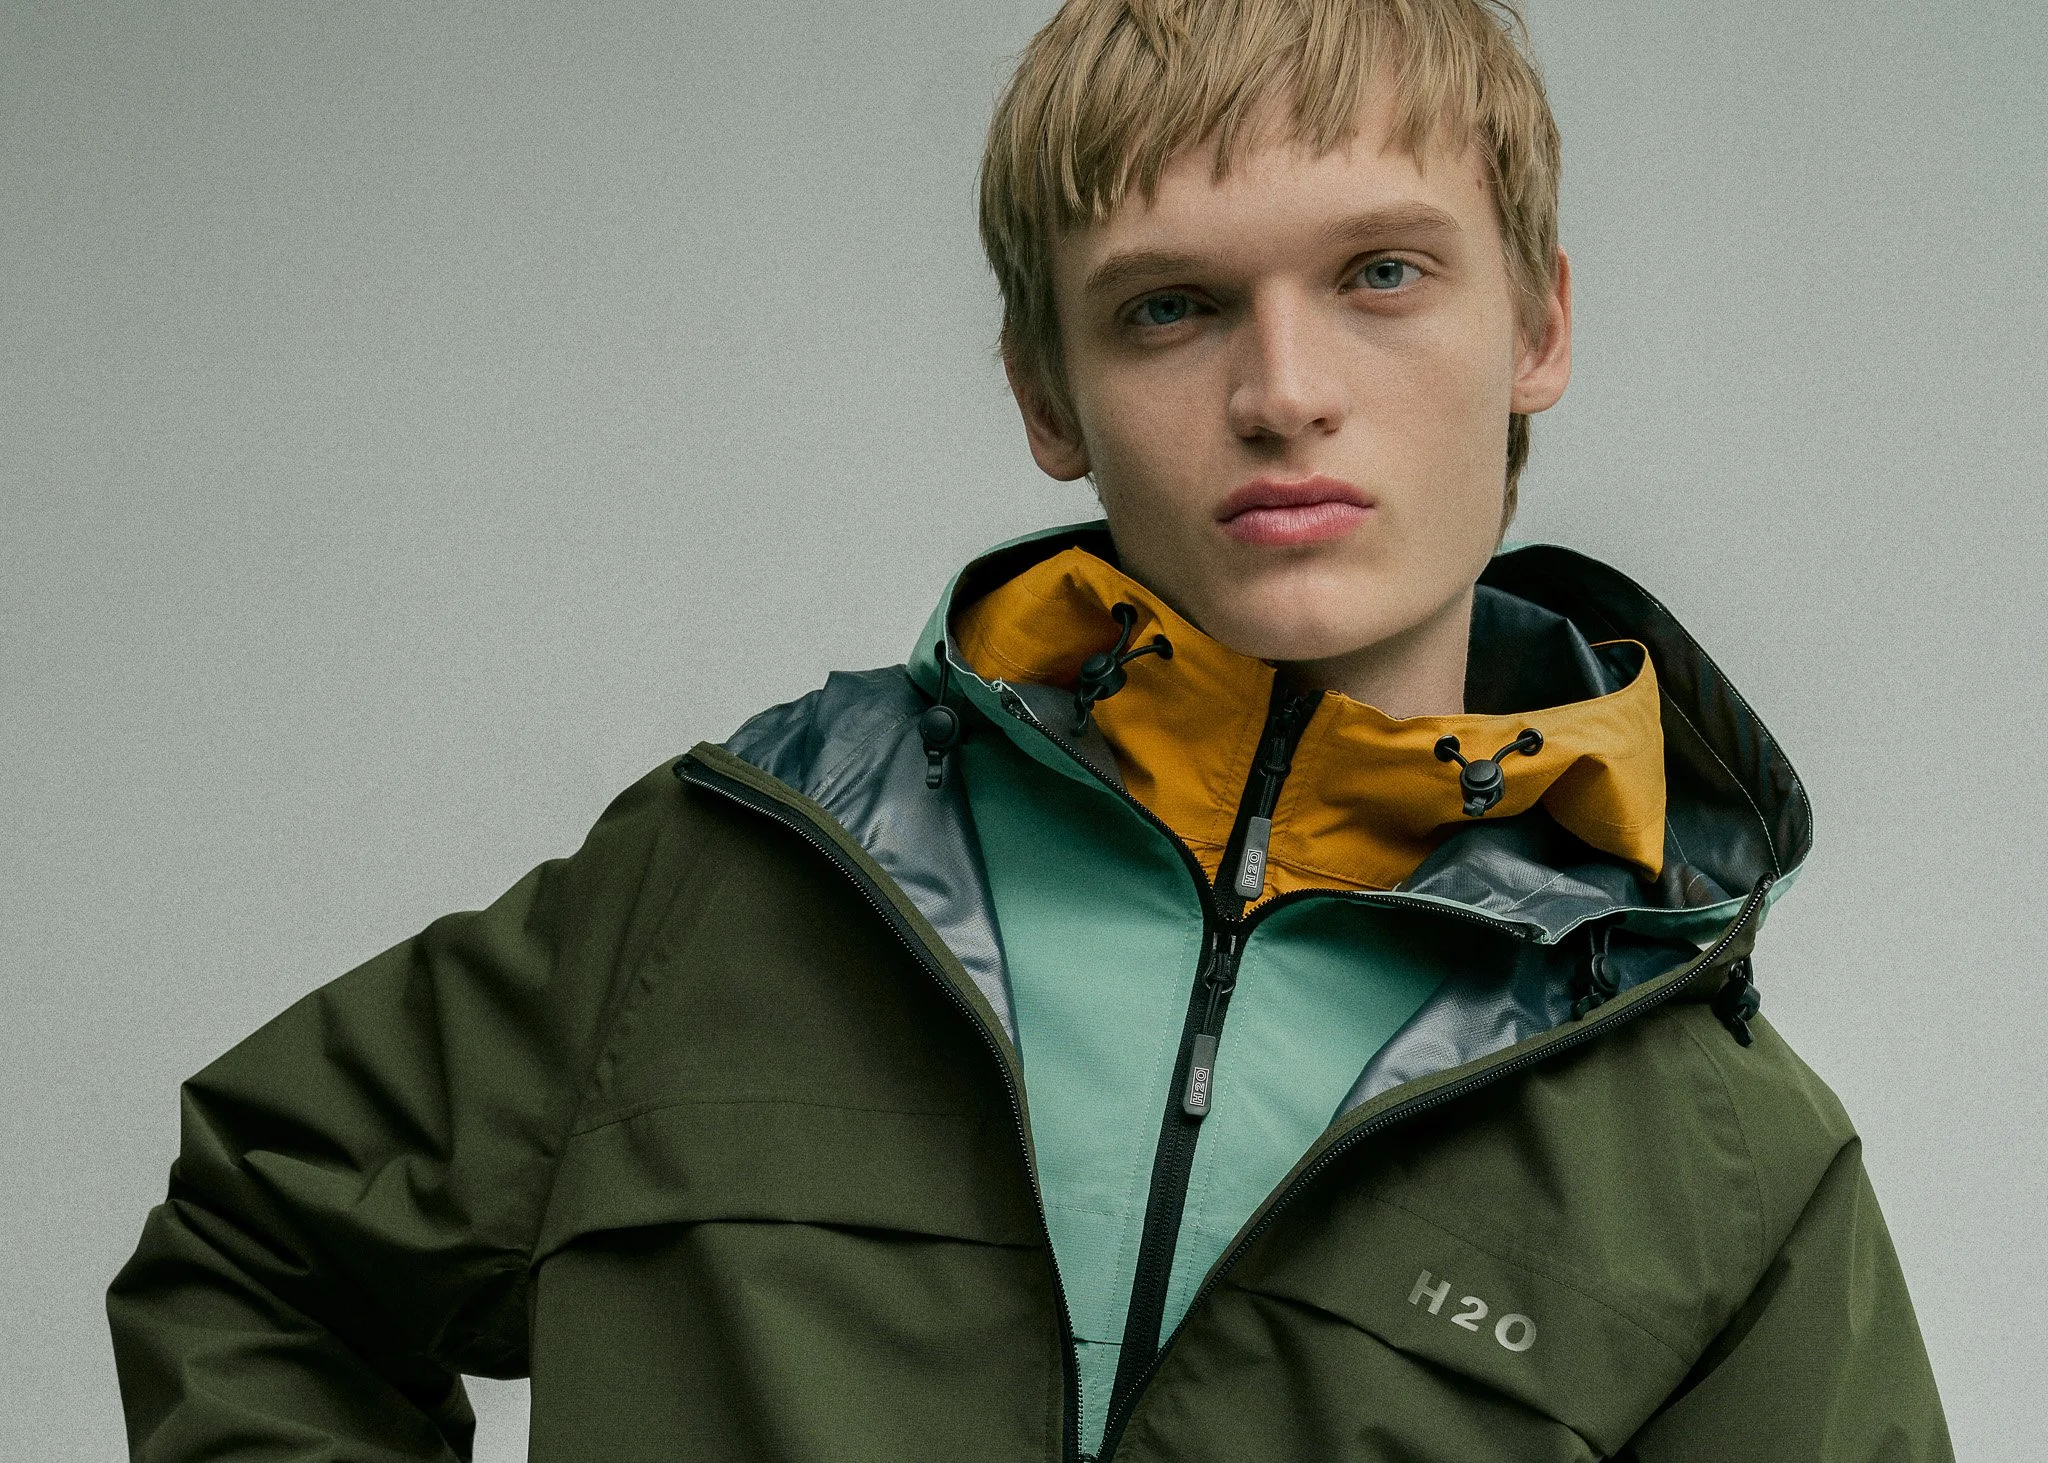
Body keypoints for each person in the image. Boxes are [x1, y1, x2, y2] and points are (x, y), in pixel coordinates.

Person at [108, 1, 1953, 1458]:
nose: (1285, 390)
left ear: (1538, 323)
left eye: (1383, 274)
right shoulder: (733, 888)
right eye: (1171, 306)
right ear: (1045, 392)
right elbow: (260, 1252)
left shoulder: (1725, 1161)